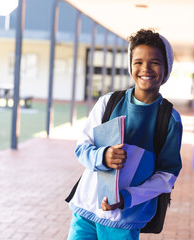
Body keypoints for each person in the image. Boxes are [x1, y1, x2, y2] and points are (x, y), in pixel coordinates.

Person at [67, 29, 183, 240]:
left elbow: (166, 176)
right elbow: (82, 148)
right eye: (138, 62)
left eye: (154, 62)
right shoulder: (108, 103)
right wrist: (103, 156)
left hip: (124, 218)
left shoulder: (169, 120)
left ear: (167, 67)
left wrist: (127, 198)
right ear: (130, 65)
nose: (145, 68)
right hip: (87, 208)